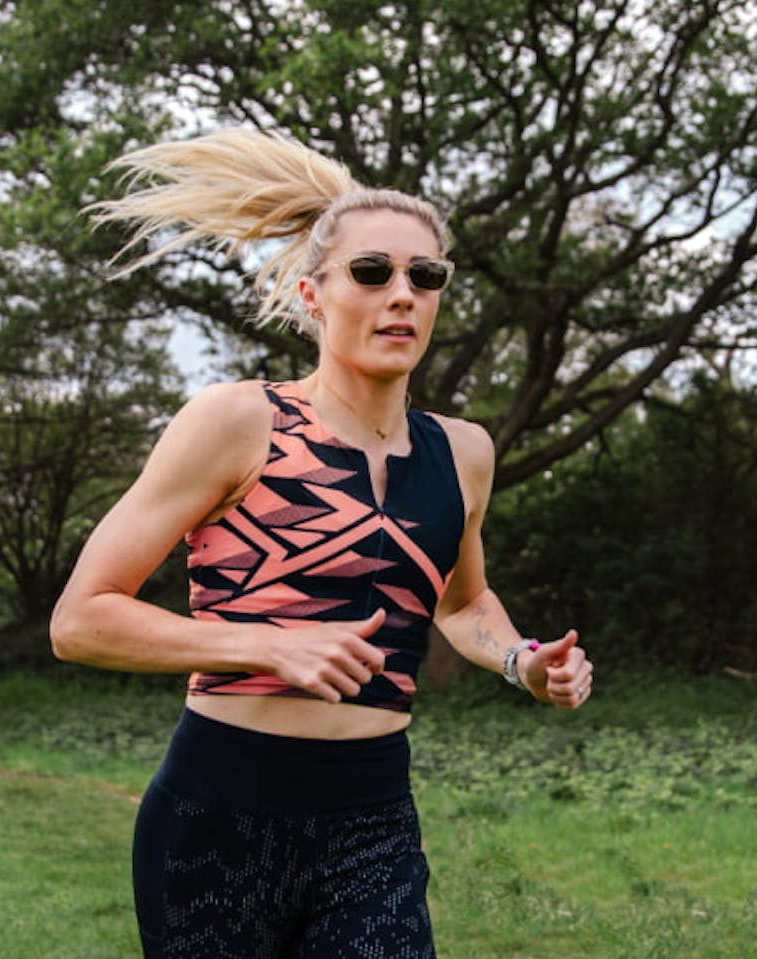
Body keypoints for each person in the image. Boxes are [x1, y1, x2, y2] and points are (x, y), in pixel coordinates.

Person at [50, 128, 594, 959]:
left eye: (425, 275)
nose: (402, 293)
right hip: (218, 813)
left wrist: (523, 660)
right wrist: (268, 643)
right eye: (372, 272)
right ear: (314, 294)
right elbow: (81, 620)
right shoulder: (238, 422)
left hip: (372, 819)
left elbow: (461, 602)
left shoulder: (464, 452)